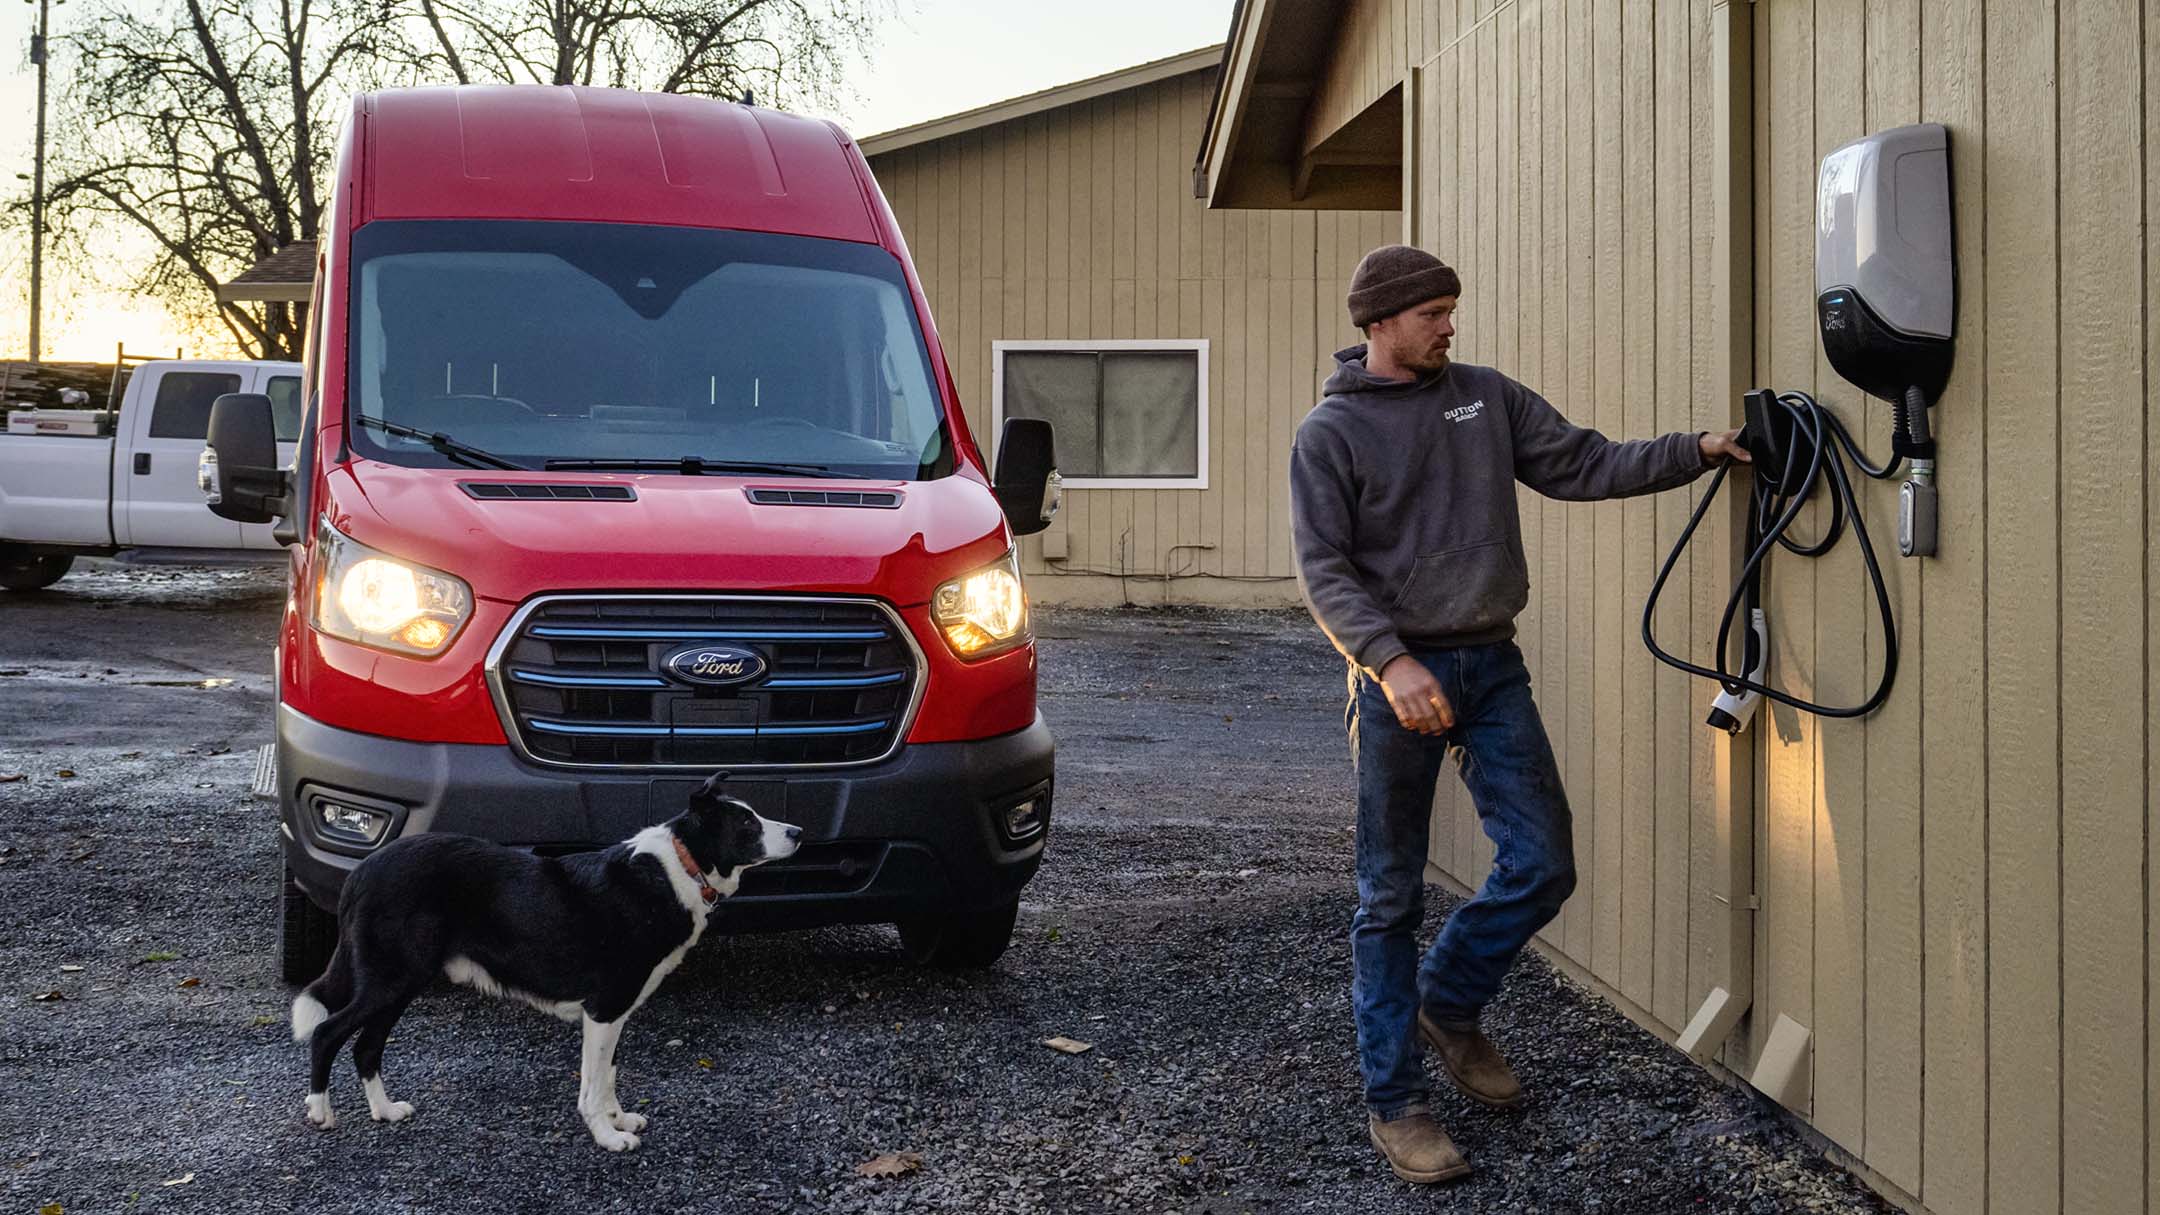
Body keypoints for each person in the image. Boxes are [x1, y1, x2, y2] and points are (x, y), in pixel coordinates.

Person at [1289, 244, 1750, 1184]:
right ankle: (1399, 1103)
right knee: (1388, 897)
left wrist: (1696, 450)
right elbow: (1324, 569)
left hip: (1490, 663)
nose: (1449, 327)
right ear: (1379, 323)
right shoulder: (1329, 434)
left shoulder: (1485, 397)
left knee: (1544, 860)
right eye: (1432, 314)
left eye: (1451, 311)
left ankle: (1449, 1002)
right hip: (1398, 682)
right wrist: (1390, 662)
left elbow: (1583, 463)